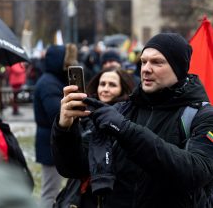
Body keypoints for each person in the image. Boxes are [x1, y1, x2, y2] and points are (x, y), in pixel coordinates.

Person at [51, 33, 213, 208]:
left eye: (157, 62)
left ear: (179, 68)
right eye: (143, 61)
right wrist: (65, 128)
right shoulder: (122, 110)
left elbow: (196, 173)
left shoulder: (201, 115)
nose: (146, 69)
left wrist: (125, 130)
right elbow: (74, 168)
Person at [51, 67, 135, 207]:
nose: (105, 89)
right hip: (84, 194)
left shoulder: (129, 117)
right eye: (102, 84)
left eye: (112, 85)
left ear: (123, 88)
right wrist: (64, 127)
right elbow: (70, 163)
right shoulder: (84, 114)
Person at [33, 45, 68, 208]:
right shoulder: (49, 84)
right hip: (50, 143)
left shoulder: (51, 80)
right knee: (50, 192)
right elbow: (56, 114)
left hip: (50, 141)